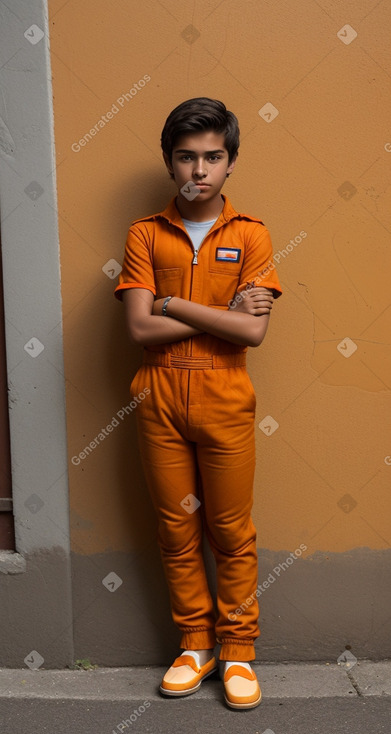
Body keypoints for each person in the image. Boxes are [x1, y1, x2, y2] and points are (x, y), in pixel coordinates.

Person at [114, 97, 282, 709]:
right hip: (158, 394)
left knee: (231, 532)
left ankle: (238, 650)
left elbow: (251, 333)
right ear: (169, 163)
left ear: (230, 162)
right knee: (176, 529)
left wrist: (170, 304)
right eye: (186, 158)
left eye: (212, 157)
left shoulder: (252, 234)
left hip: (225, 394)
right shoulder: (143, 234)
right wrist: (214, 315)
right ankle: (195, 644)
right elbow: (138, 330)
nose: (199, 171)